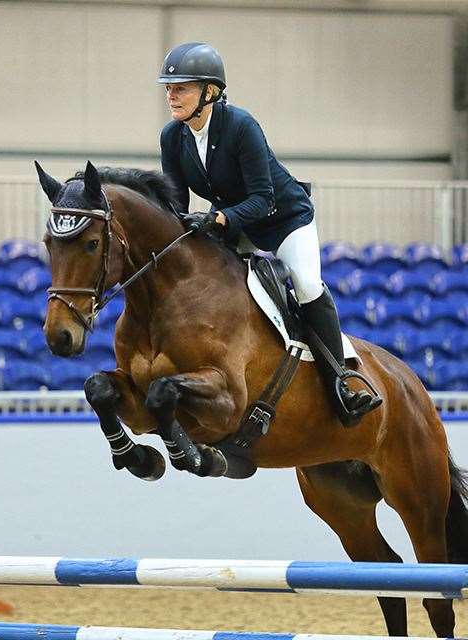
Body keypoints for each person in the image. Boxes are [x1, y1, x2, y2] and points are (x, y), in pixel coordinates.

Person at [157, 42, 381, 427]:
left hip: (283, 218)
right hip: (230, 221)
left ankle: (342, 380)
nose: (171, 95)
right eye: (169, 88)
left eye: (182, 87)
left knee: (307, 284)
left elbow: (263, 198)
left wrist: (219, 220)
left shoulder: (241, 126)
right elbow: (175, 198)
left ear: (209, 92)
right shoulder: (172, 137)